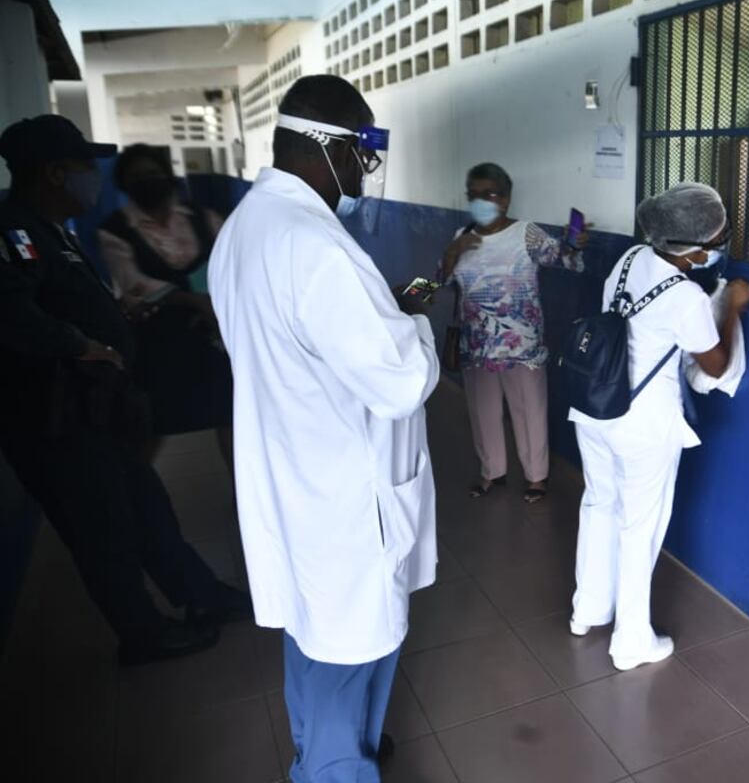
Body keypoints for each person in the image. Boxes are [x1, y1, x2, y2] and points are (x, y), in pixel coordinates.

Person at [207, 76, 439, 783]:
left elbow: (304, 339)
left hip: (294, 471)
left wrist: (379, 316)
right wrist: (414, 324)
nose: (363, 173)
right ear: (329, 149)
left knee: (313, 634)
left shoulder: (245, 228)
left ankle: (326, 751)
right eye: (360, 156)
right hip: (341, 495)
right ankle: (334, 768)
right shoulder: (316, 245)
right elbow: (401, 381)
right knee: (349, 644)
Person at [0, 115, 250, 665]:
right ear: (54, 172)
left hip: (94, 411)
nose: (93, 176)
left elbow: (60, 300)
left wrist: (112, 316)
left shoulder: (52, 230)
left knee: (147, 506)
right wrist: (81, 343)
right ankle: (142, 634)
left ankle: (203, 596)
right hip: (54, 420)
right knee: (103, 532)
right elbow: (11, 313)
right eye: (84, 165)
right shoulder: (15, 232)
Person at [568, 182, 749, 671]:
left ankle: (588, 609)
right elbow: (715, 366)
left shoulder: (629, 259)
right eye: (717, 237)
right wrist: (732, 308)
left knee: (599, 504)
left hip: (594, 409)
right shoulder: (686, 297)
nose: (720, 245)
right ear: (694, 249)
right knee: (639, 527)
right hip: (642, 426)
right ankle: (631, 640)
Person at [440, 163, 584, 503]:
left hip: (521, 345)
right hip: (477, 343)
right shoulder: (461, 236)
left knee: (529, 410)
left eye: (489, 194)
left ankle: (536, 477)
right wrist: (452, 253)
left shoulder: (525, 233)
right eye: (474, 194)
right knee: (482, 412)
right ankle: (491, 471)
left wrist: (574, 244)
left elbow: (566, 260)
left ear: (506, 198)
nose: (481, 201)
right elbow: (437, 282)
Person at [97, 144, 234, 471]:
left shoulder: (203, 217)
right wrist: (193, 300)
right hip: (158, 340)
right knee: (153, 424)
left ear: (168, 176)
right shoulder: (115, 229)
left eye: (153, 173)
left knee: (230, 414)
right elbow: (132, 282)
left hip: (212, 336)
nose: (147, 181)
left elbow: (230, 261)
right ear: (123, 183)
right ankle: (136, 487)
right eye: (137, 177)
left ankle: (243, 489)